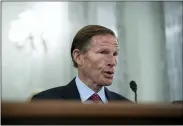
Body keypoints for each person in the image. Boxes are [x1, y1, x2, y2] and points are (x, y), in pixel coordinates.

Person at [31, 25, 131, 103]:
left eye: (115, 54)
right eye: (103, 52)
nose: (113, 62)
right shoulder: (45, 102)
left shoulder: (127, 107)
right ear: (78, 57)